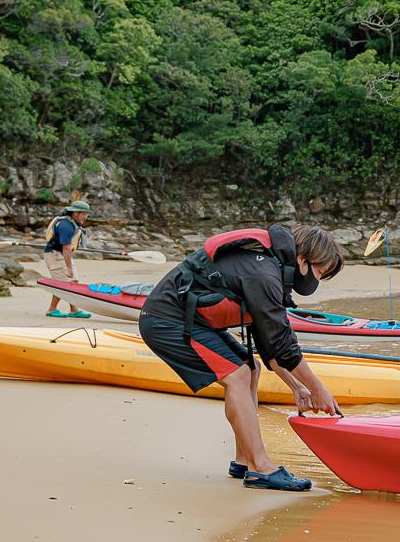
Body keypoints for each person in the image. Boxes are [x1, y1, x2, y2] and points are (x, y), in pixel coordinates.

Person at [138, 223, 345, 491]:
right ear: (303, 260)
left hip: (192, 321)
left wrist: (298, 386)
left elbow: (268, 343)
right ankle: (261, 468)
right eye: (320, 272)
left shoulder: (270, 269)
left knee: (251, 367)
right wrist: (319, 389)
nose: (316, 280)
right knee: (238, 375)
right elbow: (284, 344)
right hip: (166, 321)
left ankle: (245, 460)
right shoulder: (263, 274)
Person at [42, 197, 91, 318]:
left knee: (73, 282)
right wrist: (68, 268)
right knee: (62, 284)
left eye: (86, 214)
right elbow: (66, 248)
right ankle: (51, 310)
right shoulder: (65, 226)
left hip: (63, 255)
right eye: (84, 214)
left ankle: (74, 310)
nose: (85, 217)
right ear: (75, 213)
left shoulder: (72, 223)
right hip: (54, 255)